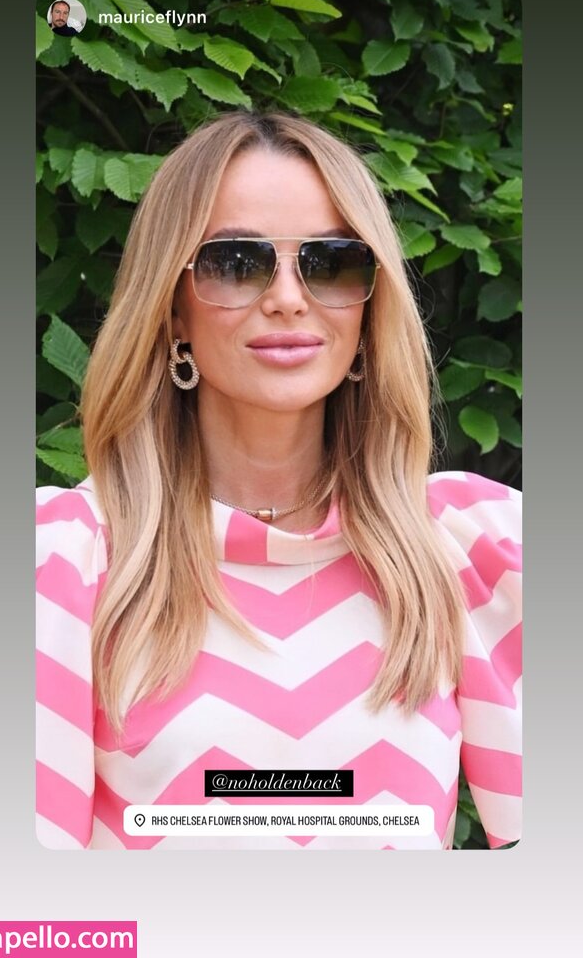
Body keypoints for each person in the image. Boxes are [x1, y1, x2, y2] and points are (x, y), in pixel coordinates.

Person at [36, 110, 522, 850]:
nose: (290, 297)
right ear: (172, 310)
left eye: (331, 262)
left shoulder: (469, 551)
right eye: (236, 262)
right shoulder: (65, 561)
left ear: (370, 305)